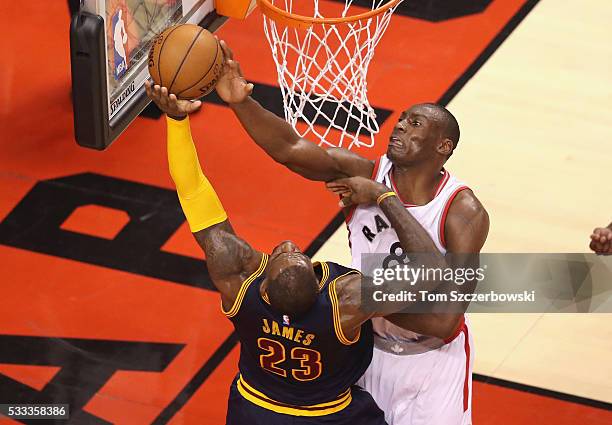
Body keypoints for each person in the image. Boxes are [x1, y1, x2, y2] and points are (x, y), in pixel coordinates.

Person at [145, 82, 461, 425]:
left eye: (286, 252)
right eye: (300, 256)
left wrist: (176, 122)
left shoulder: (239, 284)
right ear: (320, 284)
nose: (293, 245)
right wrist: (384, 197)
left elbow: (193, 192)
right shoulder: (346, 305)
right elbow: (430, 272)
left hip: (256, 409)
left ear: (262, 280)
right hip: (329, 416)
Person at [215, 40, 490, 425]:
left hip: (430, 362)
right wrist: (241, 102)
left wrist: (381, 197)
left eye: (416, 124)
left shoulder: (463, 211)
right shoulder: (361, 172)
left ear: (442, 146)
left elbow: (444, 321)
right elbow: (290, 148)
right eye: (402, 118)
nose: (400, 126)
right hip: (364, 348)